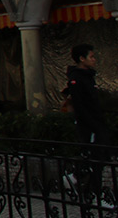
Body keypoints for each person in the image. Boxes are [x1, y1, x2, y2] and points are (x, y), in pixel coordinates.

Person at [65, 44, 112, 206]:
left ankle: (85, 185)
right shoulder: (77, 78)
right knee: (95, 158)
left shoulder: (88, 76)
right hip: (90, 126)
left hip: (97, 123)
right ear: (81, 59)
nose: (94, 60)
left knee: (101, 157)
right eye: (91, 57)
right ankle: (93, 192)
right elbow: (79, 105)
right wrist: (93, 126)